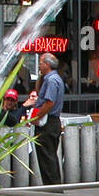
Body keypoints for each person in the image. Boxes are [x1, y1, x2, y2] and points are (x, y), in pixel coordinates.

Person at [31, 53, 66, 184]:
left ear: (47, 64)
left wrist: (37, 116)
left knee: (47, 155)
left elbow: (49, 102)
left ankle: (52, 184)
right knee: (47, 154)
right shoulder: (50, 79)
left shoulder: (51, 80)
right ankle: (51, 183)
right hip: (51, 121)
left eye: (40, 63)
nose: (39, 65)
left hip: (48, 121)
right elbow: (40, 93)